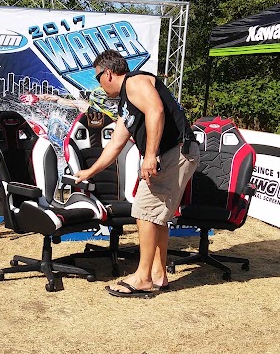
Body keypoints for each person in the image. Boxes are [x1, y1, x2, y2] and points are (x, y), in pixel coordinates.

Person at [74, 49, 199, 298]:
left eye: (97, 77)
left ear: (108, 73)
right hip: (176, 153)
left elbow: (156, 111)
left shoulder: (135, 82)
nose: (98, 83)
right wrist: (89, 171)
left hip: (173, 152)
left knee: (144, 210)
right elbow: (115, 144)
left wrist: (150, 155)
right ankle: (158, 274)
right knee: (155, 214)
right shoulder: (127, 101)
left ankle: (142, 278)